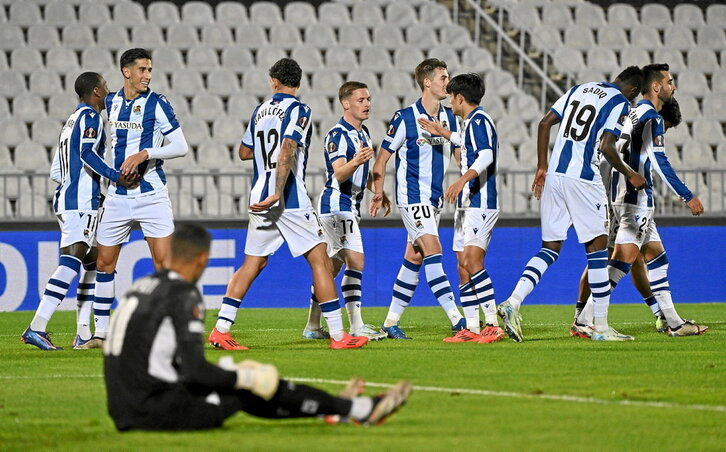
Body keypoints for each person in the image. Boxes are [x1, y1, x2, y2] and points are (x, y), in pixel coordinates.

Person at [103, 224, 411, 431]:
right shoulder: (183, 295)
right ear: (200, 260)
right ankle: (356, 409)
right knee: (252, 389)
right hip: (155, 412)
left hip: (122, 408)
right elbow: (196, 371)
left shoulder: (139, 287)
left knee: (239, 386)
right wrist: (244, 375)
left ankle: (336, 409)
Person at [208, 59, 368, 350]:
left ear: (274, 82)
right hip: (288, 197)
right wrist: (278, 190)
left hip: (259, 195)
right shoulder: (299, 109)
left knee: (253, 263)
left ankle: (220, 328)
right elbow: (287, 147)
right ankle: (337, 335)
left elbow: (244, 152)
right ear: (298, 82)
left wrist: (265, 168)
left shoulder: (259, 111)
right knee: (320, 260)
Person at [497, 66, 647, 342]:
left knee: (550, 248)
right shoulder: (619, 102)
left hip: (555, 176)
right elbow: (606, 145)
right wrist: (630, 173)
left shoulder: (580, 88)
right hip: (583, 180)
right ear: (634, 90)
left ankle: (512, 302)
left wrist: (541, 166)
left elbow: (544, 123)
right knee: (598, 251)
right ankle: (599, 327)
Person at [574, 65, 707, 338]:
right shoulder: (652, 118)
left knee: (657, 257)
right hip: (636, 200)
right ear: (656, 87)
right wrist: (687, 195)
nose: (674, 86)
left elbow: (605, 155)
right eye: (670, 82)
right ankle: (586, 318)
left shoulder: (629, 114)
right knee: (622, 262)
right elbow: (659, 160)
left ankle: (673, 322)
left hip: (621, 197)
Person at [20, 72, 138, 351]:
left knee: (94, 261)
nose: (109, 93)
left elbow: (55, 171)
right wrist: (114, 175)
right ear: (96, 91)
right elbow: (87, 154)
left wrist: (72, 187)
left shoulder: (70, 121)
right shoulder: (91, 117)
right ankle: (37, 326)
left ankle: (84, 332)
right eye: (106, 88)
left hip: (71, 197)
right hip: (80, 202)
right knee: (72, 260)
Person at [91, 48, 189, 348]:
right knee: (104, 264)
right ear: (126, 71)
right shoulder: (110, 102)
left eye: (150, 70)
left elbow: (181, 146)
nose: (148, 75)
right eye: (143, 69)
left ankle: (169, 327)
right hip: (118, 196)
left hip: (152, 196)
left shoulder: (157, 104)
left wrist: (147, 153)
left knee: (164, 264)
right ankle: (100, 333)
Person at [369, 58, 465, 339]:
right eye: (443, 78)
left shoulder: (448, 118)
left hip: (433, 201)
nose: (447, 83)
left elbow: (460, 157)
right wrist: (378, 192)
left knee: (414, 258)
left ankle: (390, 322)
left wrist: (467, 179)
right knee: (434, 251)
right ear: (427, 82)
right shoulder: (405, 118)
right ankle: (458, 321)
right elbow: (382, 159)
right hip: (412, 198)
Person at [417, 73, 506, 344]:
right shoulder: (469, 123)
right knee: (461, 264)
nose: (450, 102)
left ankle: (491, 323)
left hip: (481, 202)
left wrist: (461, 180)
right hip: (467, 205)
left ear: (460, 98)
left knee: (472, 261)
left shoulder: (480, 120)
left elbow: (486, 155)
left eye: (452, 97)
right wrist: (444, 133)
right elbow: (465, 141)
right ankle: (471, 326)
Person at [302, 81, 389, 341]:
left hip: (350, 204)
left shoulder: (363, 134)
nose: (367, 104)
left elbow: (362, 173)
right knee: (357, 261)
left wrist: (378, 191)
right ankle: (356, 325)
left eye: (369, 99)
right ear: (346, 103)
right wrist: (357, 160)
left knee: (329, 269)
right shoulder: (337, 134)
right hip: (336, 204)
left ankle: (313, 326)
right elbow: (339, 172)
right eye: (361, 99)